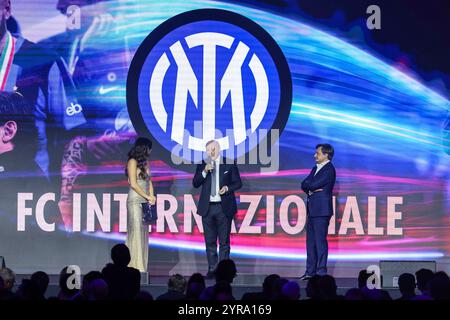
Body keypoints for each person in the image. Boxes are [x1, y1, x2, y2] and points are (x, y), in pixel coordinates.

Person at [1, 0, 86, 180]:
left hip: (26, 192)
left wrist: (65, 193)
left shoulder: (43, 62)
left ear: (6, 9)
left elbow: (72, 135)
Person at [192, 140, 242, 278]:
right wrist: (204, 172)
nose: (211, 152)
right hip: (207, 208)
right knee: (210, 241)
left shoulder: (229, 163)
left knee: (224, 241)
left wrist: (227, 188)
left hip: (223, 207)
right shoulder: (203, 164)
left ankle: (224, 271)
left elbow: (238, 183)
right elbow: (195, 183)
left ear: (218, 149)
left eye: (213, 149)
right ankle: (212, 269)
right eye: (208, 150)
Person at [300, 144, 336, 280]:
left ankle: (321, 272)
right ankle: (310, 271)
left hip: (322, 210)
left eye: (318, 153)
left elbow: (312, 184)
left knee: (320, 242)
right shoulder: (315, 168)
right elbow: (304, 184)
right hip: (312, 209)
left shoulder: (329, 169)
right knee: (310, 242)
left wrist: (311, 187)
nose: (315, 155)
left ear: (326, 155)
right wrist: (311, 188)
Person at [125, 137, 155, 273]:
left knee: (143, 233)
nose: (150, 151)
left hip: (144, 201)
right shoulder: (132, 161)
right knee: (136, 231)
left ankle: (142, 266)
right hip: (135, 200)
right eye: (149, 148)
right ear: (144, 148)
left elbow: (149, 182)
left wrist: (152, 197)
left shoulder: (146, 163)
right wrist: (147, 196)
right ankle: (134, 267)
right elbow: (133, 183)